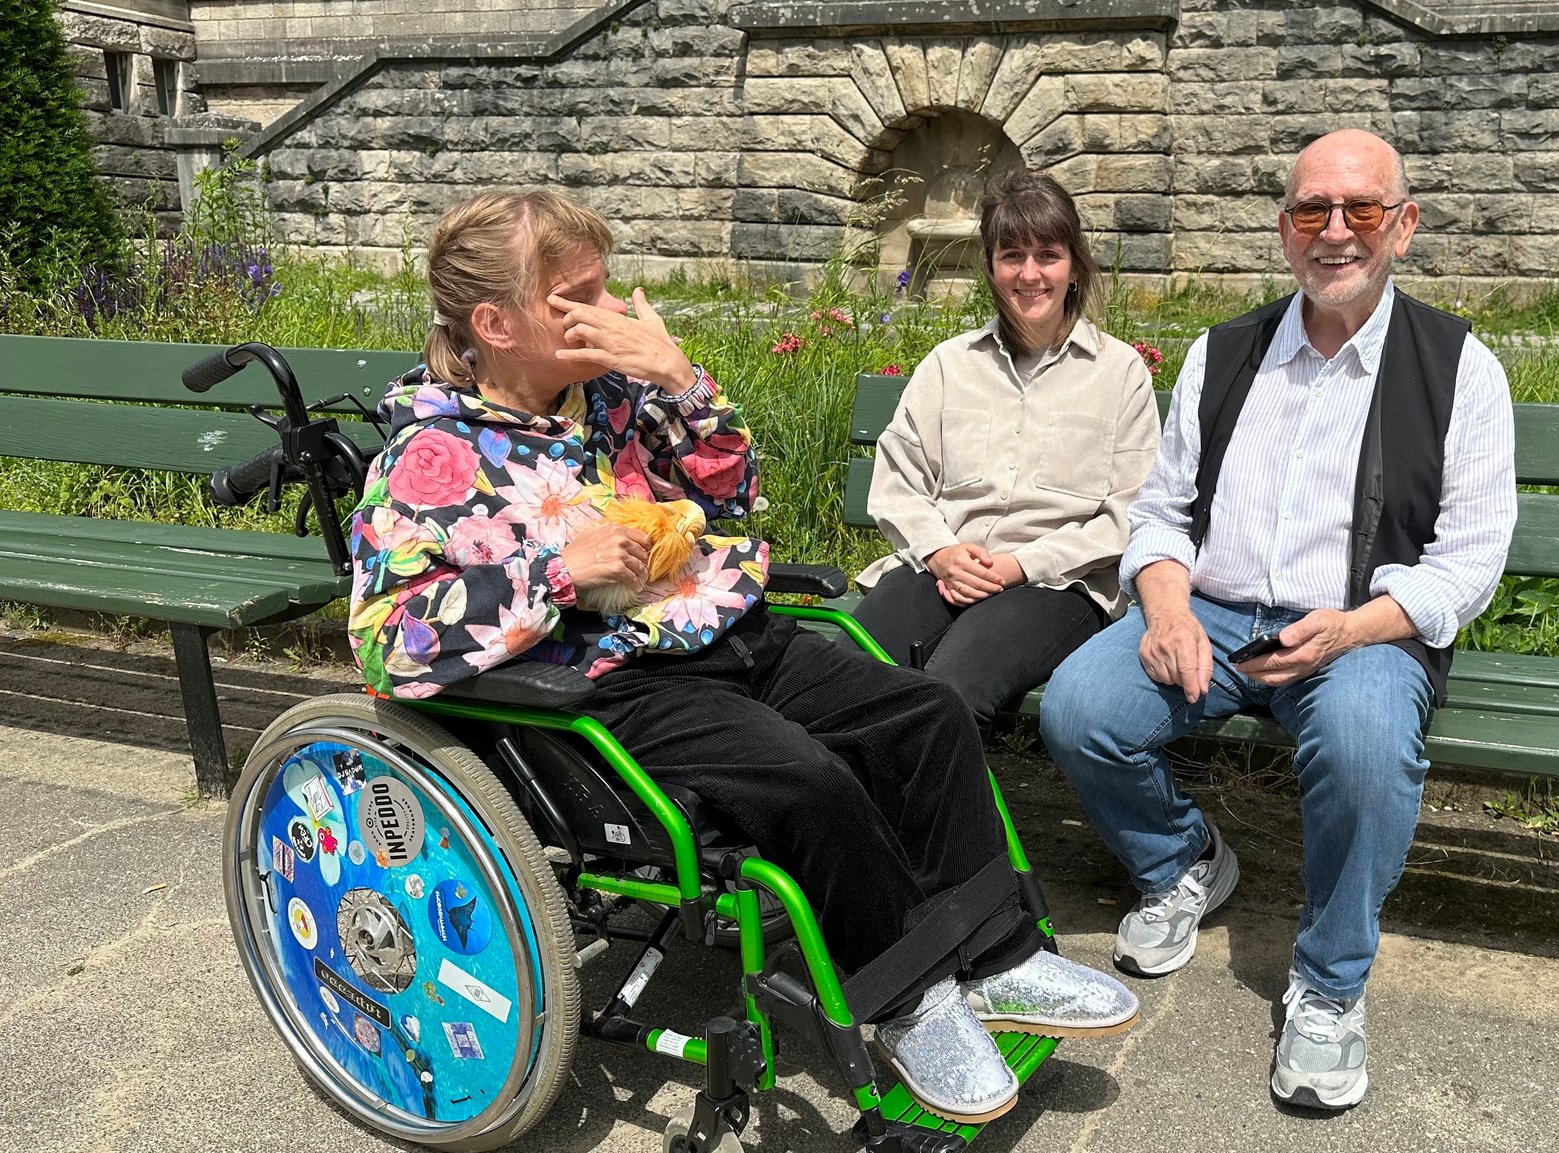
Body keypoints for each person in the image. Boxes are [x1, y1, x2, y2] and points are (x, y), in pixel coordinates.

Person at [346, 190, 1137, 1125]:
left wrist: (678, 378)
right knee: (806, 777)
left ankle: (999, 957)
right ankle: (909, 999)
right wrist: (558, 567)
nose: (608, 310)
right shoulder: (432, 455)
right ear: (496, 321)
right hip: (607, 682)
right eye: (579, 296)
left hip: (723, 627)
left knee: (921, 713)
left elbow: (735, 492)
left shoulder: (605, 395)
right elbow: (388, 641)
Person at [1039, 130, 1517, 1110]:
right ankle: (1183, 863)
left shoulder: (1460, 368)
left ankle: (1330, 985)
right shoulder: (1223, 354)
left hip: (1362, 625)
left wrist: (1351, 629)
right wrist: (1164, 606)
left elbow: (1468, 562)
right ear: (1283, 229)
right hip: (1213, 610)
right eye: (1311, 211)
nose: (1333, 232)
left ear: (1403, 226)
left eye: (1360, 211)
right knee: (1079, 705)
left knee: (1361, 736)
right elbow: (1162, 512)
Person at [853, 170, 1160, 731]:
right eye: (1012, 255)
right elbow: (899, 482)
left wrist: (1021, 565)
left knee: (948, 693)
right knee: (844, 679)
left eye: (1048, 255)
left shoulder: (1120, 374)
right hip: (941, 570)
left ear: (1074, 267)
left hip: (1057, 585)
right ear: (991, 267)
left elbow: (1129, 514)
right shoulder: (949, 365)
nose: (1030, 273)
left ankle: (929, 820)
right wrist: (941, 552)